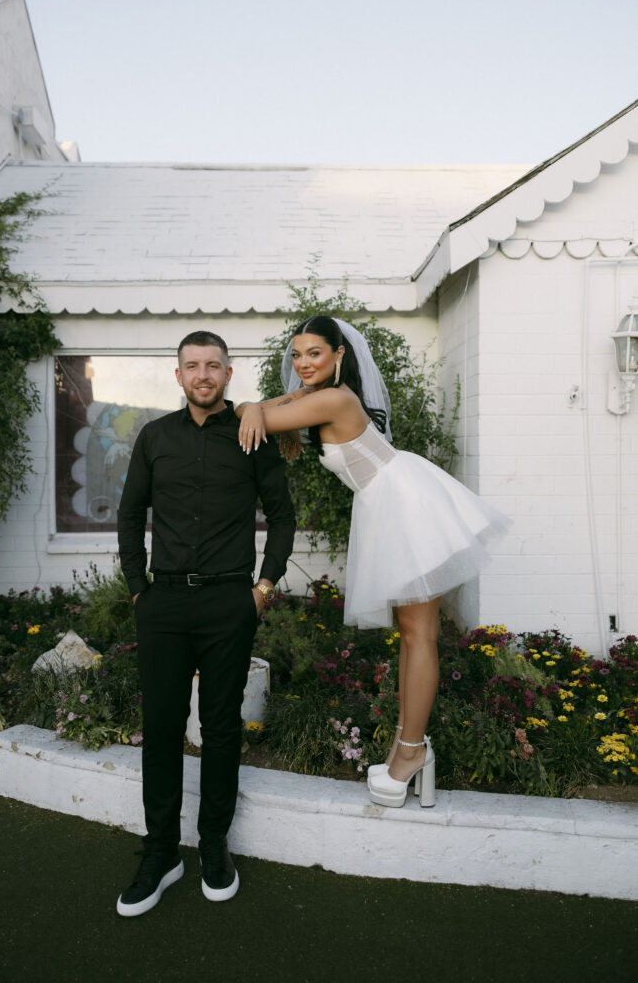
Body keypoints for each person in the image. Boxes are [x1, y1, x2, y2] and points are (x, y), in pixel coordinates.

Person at [235, 315, 509, 811]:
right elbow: (263, 408)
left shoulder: (336, 399)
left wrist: (255, 406)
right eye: (296, 355)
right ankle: (407, 748)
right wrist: (258, 404)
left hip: (405, 505)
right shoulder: (316, 395)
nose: (302, 364)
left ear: (340, 354)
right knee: (410, 635)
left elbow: (252, 415)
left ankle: (411, 755)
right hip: (391, 503)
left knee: (420, 635)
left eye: (314, 353)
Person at [116, 330, 295, 915]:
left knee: (221, 728)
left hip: (228, 606)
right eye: (192, 366)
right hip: (163, 605)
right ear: (178, 375)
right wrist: (138, 588)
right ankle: (161, 852)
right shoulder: (154, 436)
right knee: (163, 728)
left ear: (227, 373)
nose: (202, 375)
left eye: (212, 365)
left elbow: (284, 513)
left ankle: (214, 845)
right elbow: (130, 512)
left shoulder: (251, 435)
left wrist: (263, 587)